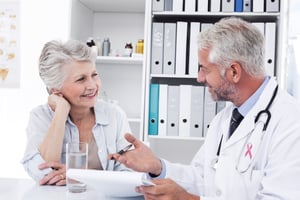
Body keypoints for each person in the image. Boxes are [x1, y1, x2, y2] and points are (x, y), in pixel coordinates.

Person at [109, 17, 300, 199]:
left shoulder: (291, 123)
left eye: (205, 69)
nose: (199, 78)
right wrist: (158, 167)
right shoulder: (225, 119)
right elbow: (202, 178)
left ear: (234, 71)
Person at [22, 39, 131, 186]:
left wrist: (79, 175)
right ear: (56, 90)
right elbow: (42, 173)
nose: (92, 85)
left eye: (94, 75)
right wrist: (61, 112)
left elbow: (129, 173)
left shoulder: (114, 115)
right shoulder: (40, 117)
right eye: (81, 79)